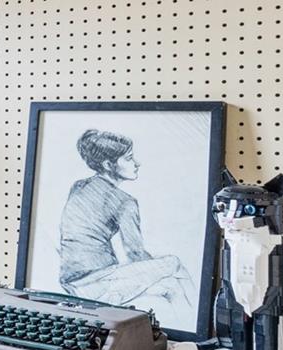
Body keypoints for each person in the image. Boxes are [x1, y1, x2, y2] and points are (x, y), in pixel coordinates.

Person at [57, 128, 193, 316]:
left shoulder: (79, 186)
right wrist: (156, 268)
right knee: (174, 263)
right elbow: (135, 253)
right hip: (96, 282)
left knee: (170, 285)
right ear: (108, 164)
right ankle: (197, 325)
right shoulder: (124, 201)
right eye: (129, 158)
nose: (137, 163)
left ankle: (188, 321)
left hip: (71, 282)